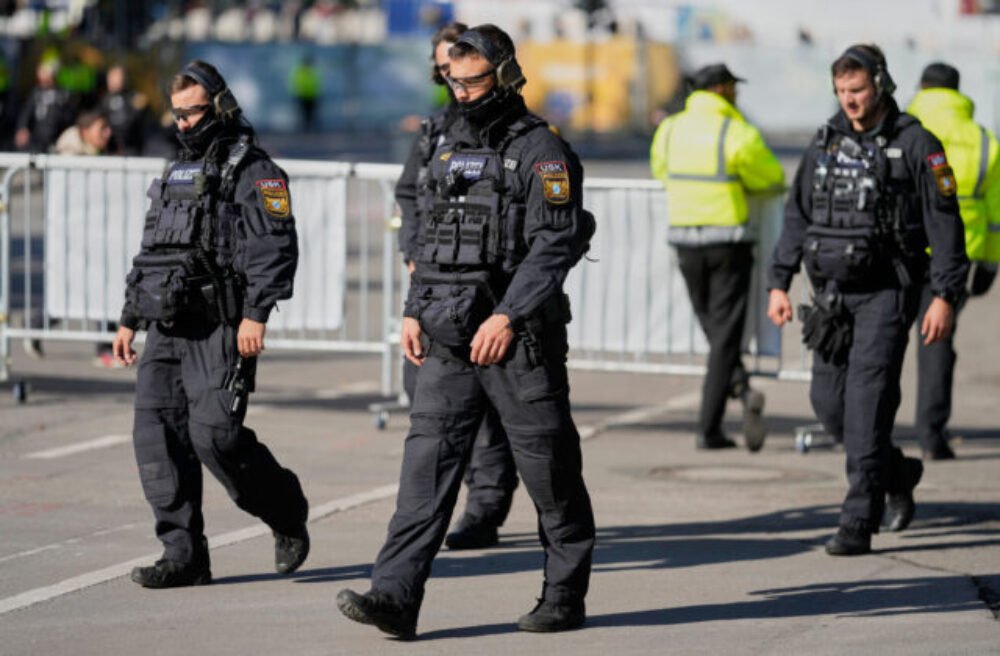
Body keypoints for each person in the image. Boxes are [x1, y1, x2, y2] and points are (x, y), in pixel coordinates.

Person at [336, 24, 596, 638]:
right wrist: (411, 307)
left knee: (550, 474)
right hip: (449, 337)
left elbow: (555, 242)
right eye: (454, 80)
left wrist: (509, 316)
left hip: (519, 342)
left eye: (473, 79)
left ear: (505, 75)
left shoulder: (542, 151)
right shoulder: (449, 148)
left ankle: (564, 595)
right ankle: (394, 597)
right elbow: (432, 236)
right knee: (424, 474)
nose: (461, 91)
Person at [111, 60, 310, 587]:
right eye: (176, 115)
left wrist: (256, 313)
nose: (183, 124)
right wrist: (130, 317)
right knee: (157, 438)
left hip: (222, 326)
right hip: (166, 326)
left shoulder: (255, 171)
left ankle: (285, 512)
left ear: (220, 105)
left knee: (216, 437)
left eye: (193, 112)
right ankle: (183, 555)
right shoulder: (174, 170)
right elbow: (153, 248)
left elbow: (275, 246)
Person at [767, 45, 969, 556]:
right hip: (832, 297)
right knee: (829, 406)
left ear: (879, 84)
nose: (849, 101)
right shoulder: (825, 143)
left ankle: (858, 520)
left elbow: (946, 226)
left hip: (888, 293)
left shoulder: (918, 143)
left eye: (857, 91)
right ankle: (899, 474)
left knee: (866, 406)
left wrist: (944, 295)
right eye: (841, 92)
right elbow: (797, 216)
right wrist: (778, 282)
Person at [395, 21, 520, 551]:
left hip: (487, 289)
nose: (456, 80)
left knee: (489, 406)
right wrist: (413, 254)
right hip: (433, 282)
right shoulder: (433, 132)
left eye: (465, 71)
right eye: (447, 71)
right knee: (420, 395)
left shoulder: (511, 133)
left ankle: (485, 507)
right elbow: (409, 194)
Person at [649, 63, 784, 451]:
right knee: (724, 336)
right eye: (734, 89)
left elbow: (660, 169)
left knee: (713, 327)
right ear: (723, 90)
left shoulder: (670, 129)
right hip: (728, 241)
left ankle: (740, 388)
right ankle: (708, 428)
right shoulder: (736, 130)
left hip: (685, 238)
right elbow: (771, 177)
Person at [906, 62, 1000, 461]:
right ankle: (930, 433)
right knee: (937, 342)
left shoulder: (902, 128)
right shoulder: (985, 141)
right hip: (959, 255)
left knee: (881, 341)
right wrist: (991, 266)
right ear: (959, 92)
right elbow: (997, 213)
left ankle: (864, 425)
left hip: (903, 248)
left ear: (922, 87)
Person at [15, 60, 74, 153]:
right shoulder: (36, 92)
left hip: (56, 136)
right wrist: (22, 127)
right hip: (37, 136)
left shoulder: (63, 94)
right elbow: (27, 111)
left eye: (45, 73)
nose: (41, 77)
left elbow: (69, 116)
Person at [101, 64, 150, 156]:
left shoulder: (135, 98)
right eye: (110, 77)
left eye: (115, 77)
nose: (111, 81)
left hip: (134, 151)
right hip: (112, 151)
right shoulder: (105, 100)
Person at [289, 54, 321, 132]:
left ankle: (309, 127)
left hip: (312, 95)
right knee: (304, 113)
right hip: (303, 96)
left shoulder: (311, 71)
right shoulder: (302, 72)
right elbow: (296, 83)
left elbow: (317, 83)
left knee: (311, 113)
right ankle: (304, 127)